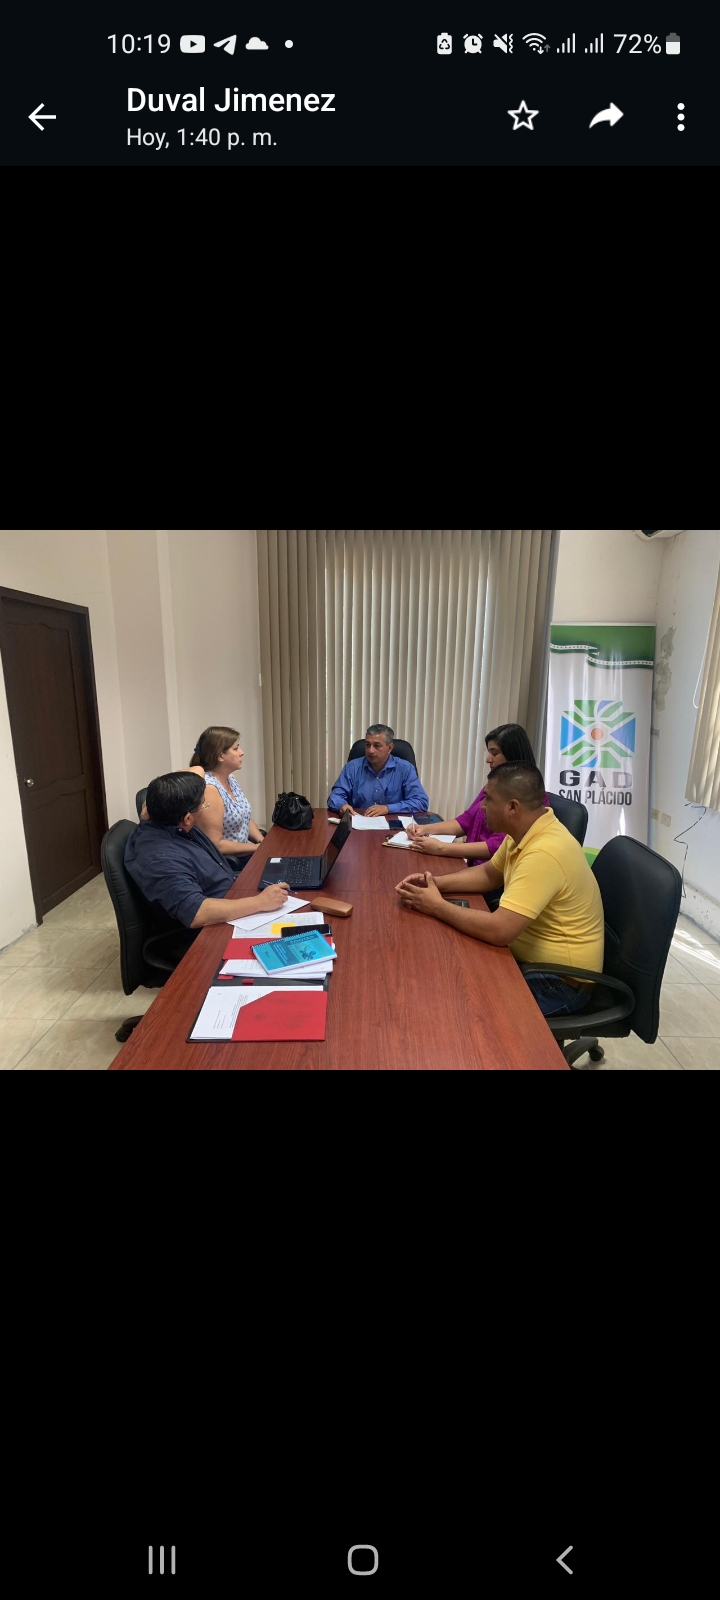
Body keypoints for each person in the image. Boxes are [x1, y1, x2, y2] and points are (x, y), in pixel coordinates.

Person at [395, 761, 604, 1018]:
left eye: (489, 799)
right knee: (444, 972)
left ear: (512, 807)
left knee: (462, 1009)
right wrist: (434, 883)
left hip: (559, 981)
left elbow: (500, 931)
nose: (482, 806)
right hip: (529, 960)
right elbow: (488, 874)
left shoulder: (544, 852)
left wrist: (437, 906)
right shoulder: (524, 832)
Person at [126, 772, 289, 932]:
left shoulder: (165, 819)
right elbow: (197, 913)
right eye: (203, 805)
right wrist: (260, 902)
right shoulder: (162, 859)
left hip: (232, 895)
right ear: (187, 818)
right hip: (212, 927)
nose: (205, 808)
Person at [406, 723, 549, 864]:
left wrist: (441, 847)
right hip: (475, 866)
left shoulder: (530, 798)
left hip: (492, 872)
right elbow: (465, 821)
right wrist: (424, 829)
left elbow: (496, 847)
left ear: (512, 754)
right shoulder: (493, 787)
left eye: (494, 753)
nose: (488, 759)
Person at [186, 726, 264, 867]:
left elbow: (244, 816)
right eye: (236, 748)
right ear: (221, 756)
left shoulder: (230, 778)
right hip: (228, 863)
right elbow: (216, 844)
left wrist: (262, 840)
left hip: (245, 854)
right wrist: (256, 848)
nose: (242, 752)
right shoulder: (210, 789)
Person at [327, 724, 429, 817]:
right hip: (359, 822)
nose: (370, 750)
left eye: (377, 746)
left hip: (392, 824)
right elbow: (335, 796)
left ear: (390, 748)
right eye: (367, 745)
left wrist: (388, 808)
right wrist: (342, 805)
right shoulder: (352, 768)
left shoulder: (405, 769)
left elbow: (421, 802)